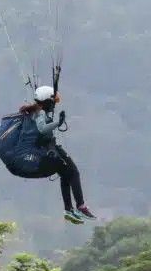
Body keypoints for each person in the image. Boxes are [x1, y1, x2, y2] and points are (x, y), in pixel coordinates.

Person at [19, 84, 96, 224]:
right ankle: (80, 206)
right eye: (52, 102)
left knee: (65, 175)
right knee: (73, 172)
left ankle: (69, 210)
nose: (54, 105)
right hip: (50, 150)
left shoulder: (37, 111)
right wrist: (58, 123)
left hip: (46, 151)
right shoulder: (40, 113)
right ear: (47, 102)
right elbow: (42, 129)